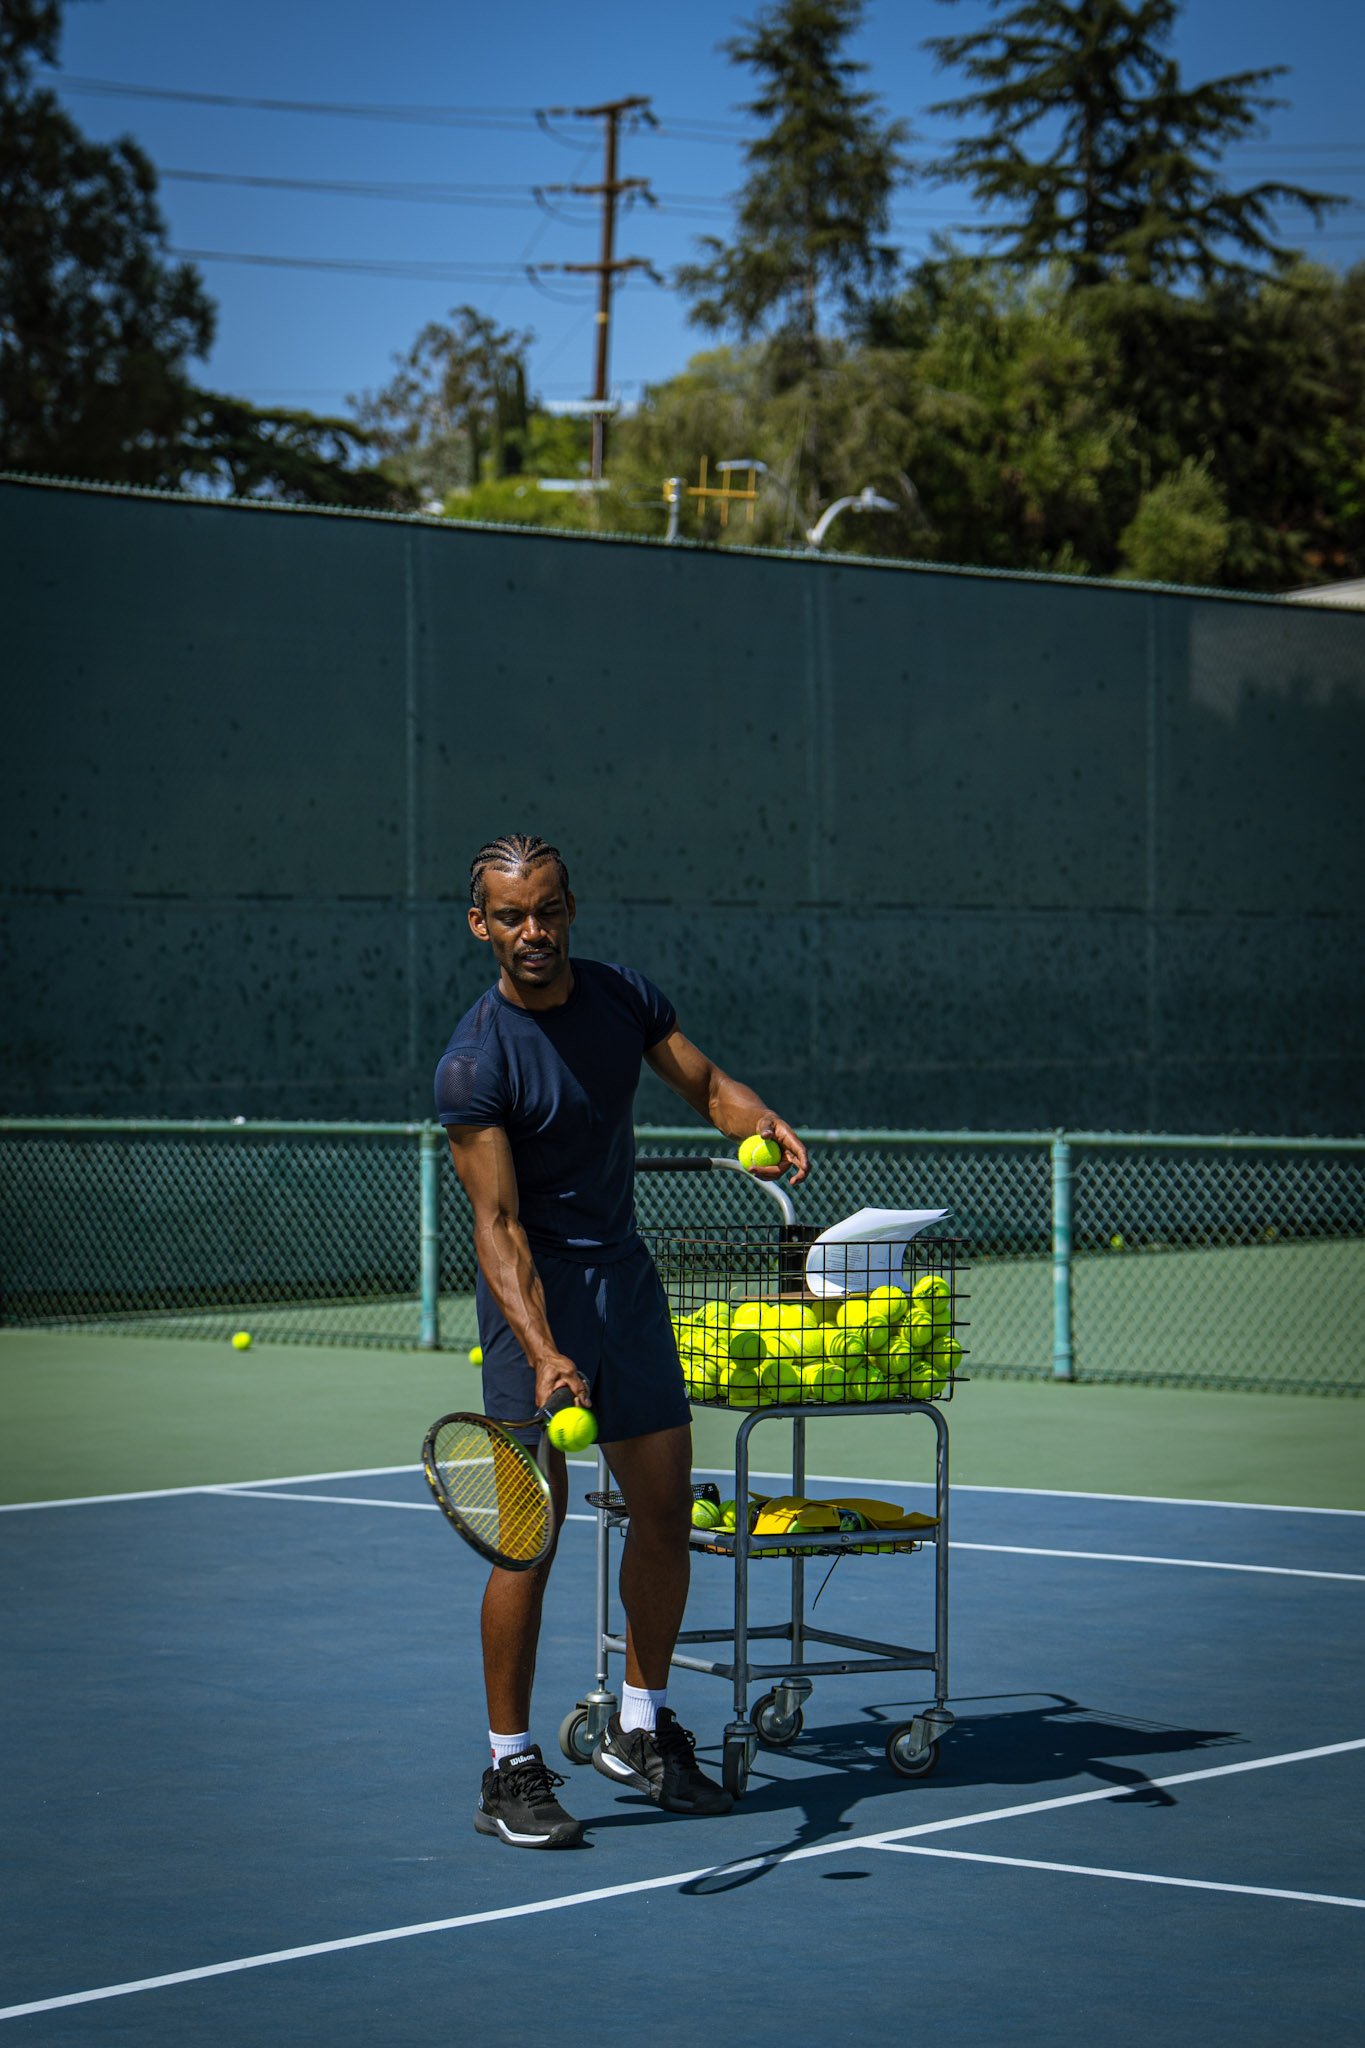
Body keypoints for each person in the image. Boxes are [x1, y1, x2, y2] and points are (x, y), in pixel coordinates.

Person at [434, 833, 809, 1850]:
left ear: (570, 909)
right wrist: (544, 1347)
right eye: (510, 915)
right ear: (481, 924)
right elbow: (498, 1229)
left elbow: (706, 1082)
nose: (533, 931)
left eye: (547, 909)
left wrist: (755, 1117)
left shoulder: (622, 997)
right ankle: (510, 1767)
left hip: (628, 1289)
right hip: (533, 1311)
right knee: (528, 1539)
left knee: (662, 1510)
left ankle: (640, 1727)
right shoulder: (475, 1062)